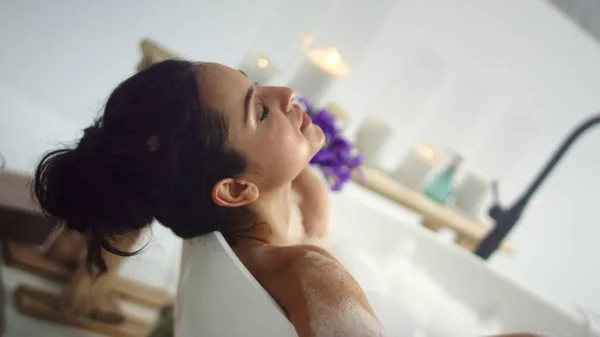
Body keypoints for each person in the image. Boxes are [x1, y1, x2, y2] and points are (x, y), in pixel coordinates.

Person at [34, 60, 539, 337]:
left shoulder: (270, 233)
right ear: (234, 190)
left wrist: (298, 160)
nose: (286, 92)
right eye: (261, 111)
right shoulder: (307, 272)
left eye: (255, 84)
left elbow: (302, 194)